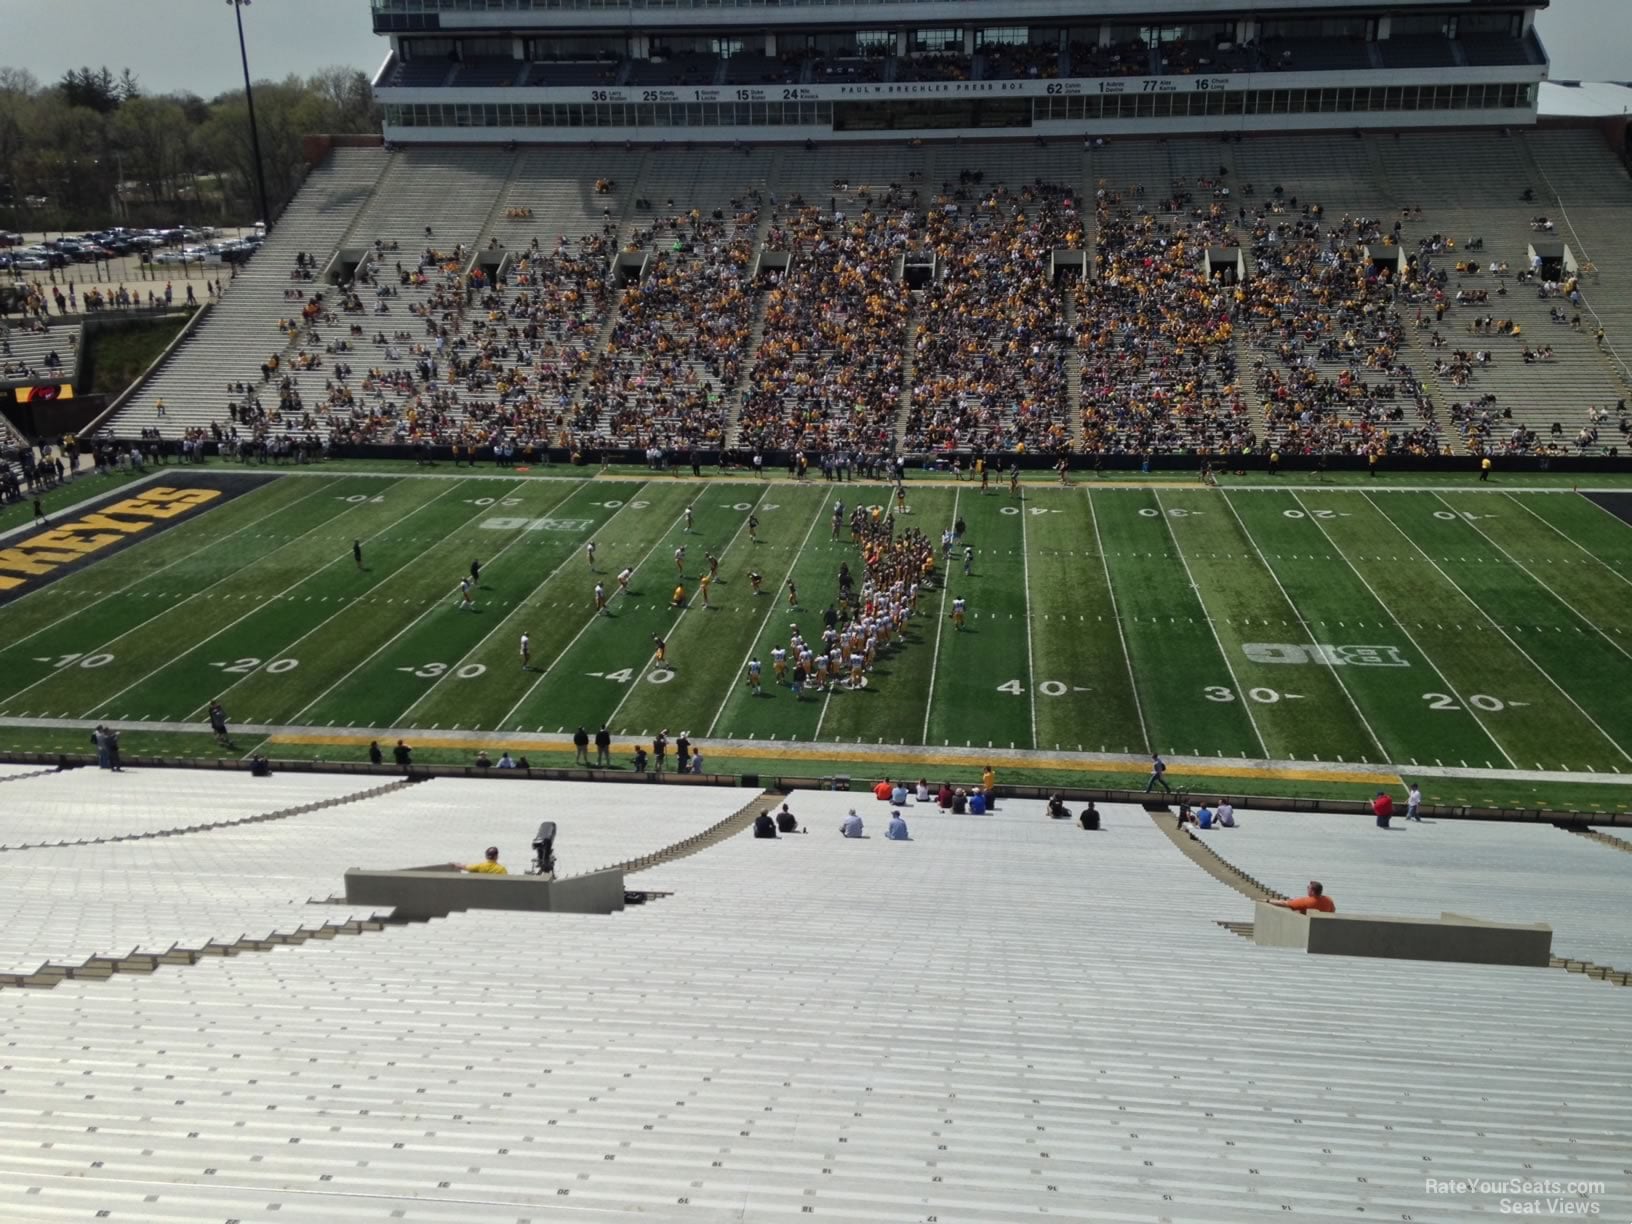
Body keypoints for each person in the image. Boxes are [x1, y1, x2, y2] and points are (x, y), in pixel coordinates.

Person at [1268, 881, 1336, 913]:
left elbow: (1284, 903)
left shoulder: (1306, 901)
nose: (1307, 888)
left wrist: (1268, 901)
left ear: (1312, 891)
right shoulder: (1329, 900)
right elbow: (1333, 910)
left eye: (1308, 887)